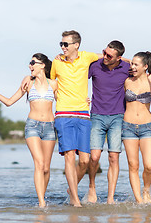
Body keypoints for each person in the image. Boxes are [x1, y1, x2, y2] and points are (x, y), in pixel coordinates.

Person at [0, 53, 58, 208]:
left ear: (43, 65)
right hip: (32, 126)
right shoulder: (28, 81)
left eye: (33, 63)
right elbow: (9, 102)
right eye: (30, 62)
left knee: (46, 168)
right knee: (39, 164)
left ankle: (42, 196)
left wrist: (84, 101)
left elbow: (65, 103)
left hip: (49, 128)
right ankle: (41, 203)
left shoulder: (53, 84)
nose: (30, 66)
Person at [50, 30, 101, 207]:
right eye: (61, 44)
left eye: (66, 44)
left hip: (83, 115)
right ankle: (75, 199)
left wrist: (131, 62)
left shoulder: (87, 57)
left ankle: (71, 189)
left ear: (76, 45)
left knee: (85, 160)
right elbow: (52, 85)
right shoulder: (56, 62)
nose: (62, 47)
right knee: (69, 157)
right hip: (63, 114)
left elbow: (109, 57)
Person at [87, 40, 131, 204]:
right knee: (94, 157)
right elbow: (76, 75)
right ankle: (92, 187)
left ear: (119, 58)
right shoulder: (95, 65)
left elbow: (141, 74)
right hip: (97, 116)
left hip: (118, 117)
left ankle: (110, 198)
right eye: (104, 52)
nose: (104, 56)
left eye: (109, 55)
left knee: (113, 157)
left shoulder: (126, 68)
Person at [122, 51, 151, 204]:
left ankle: (146, 189)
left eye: (136, 64)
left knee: (149, 165)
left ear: (145, 66)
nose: (132, 66)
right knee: (133, 165)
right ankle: (139, 199)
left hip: (147, 127)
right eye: (131, 63)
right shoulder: (127, 81)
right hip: (128, 127)